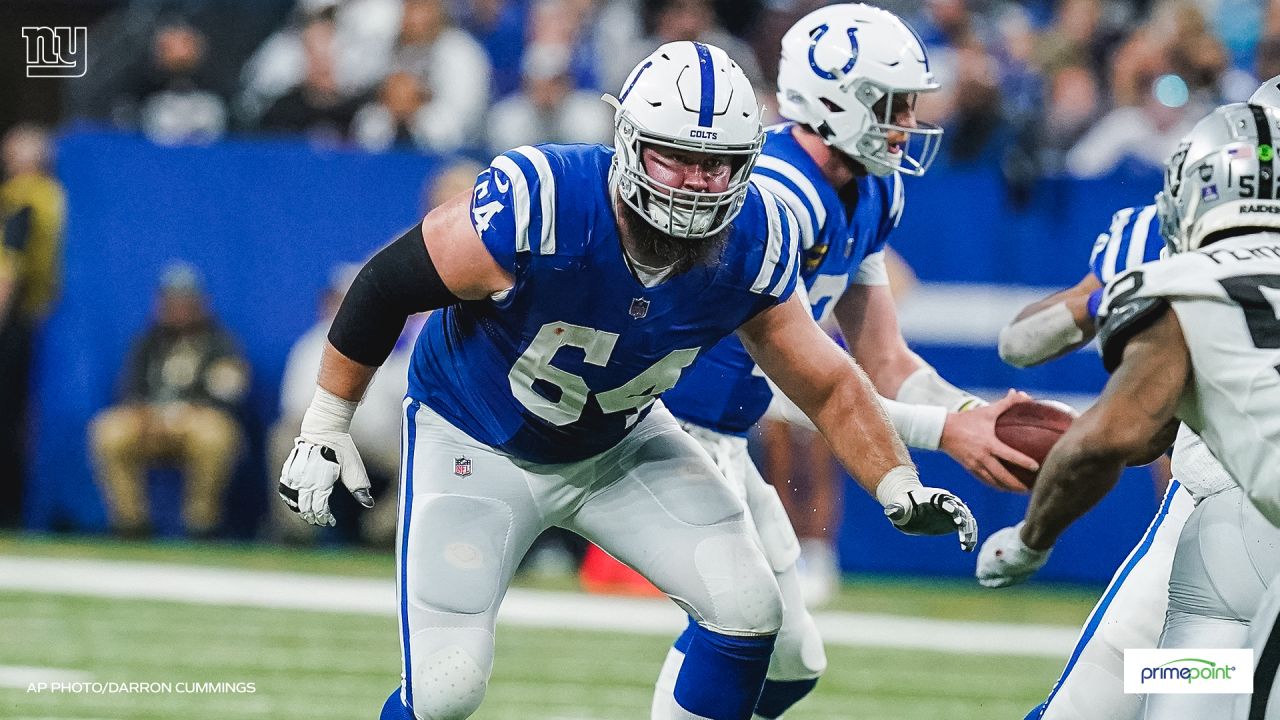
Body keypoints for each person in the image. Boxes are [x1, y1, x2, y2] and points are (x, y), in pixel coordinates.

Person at [278, 42, 978, 720]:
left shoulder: (756, 234)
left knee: (748, 609)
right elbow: (385, 284)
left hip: (619, 442)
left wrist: (897, 482)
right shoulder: (544, 198)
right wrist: (325, 424)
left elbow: (826, 381)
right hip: (476, 434)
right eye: (676, 157)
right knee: (445, 691)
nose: (696, 181)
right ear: (629, 143)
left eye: (718, 164)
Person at [653, 8, 1038, 718]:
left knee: (794, 663)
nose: (906, 122)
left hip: (724, 437)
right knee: (735, 624)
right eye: (890, 106)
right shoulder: (773, 195)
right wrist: (945, 434)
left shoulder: (871, 187)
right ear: (832, 100)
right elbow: (795, 382)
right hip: (665, 424)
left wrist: (969, 415)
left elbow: (882, 358)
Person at [974, 102, 1280, 720]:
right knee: (1174, 675)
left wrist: (1030, 539)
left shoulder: (1172, 264)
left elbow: (1035, 359)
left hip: (1223, 524)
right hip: (1219, 519)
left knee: (1176, 677)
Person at [90, 262, 250, 538]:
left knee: (216, 434)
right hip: (150, 423)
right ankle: (130, 522)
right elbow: (130, 390)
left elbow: (231, 391)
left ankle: (201, 524)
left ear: (201, 302)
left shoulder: (220, 341)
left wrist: (191, 412)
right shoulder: (147, 341)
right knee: (108, 430)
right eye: (171, 300)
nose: (178, 308)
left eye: (185, 300)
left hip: (195, 423)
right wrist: (144, 412)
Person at [269, 263, 410, 545]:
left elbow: (408, 403)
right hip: (323, 436)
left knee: (418, 458)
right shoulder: (311, 346)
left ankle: (383, 534)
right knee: (282, 438)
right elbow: (295, 409)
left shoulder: (394, 344)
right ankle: (296, 531)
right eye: (337, 299)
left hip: (378, 441)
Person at [0, 124, 65, 529]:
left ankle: (8, 508)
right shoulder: (55, 196)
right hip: (36, 318)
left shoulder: (24, 197)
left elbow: (10, 266)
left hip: (18, 321)